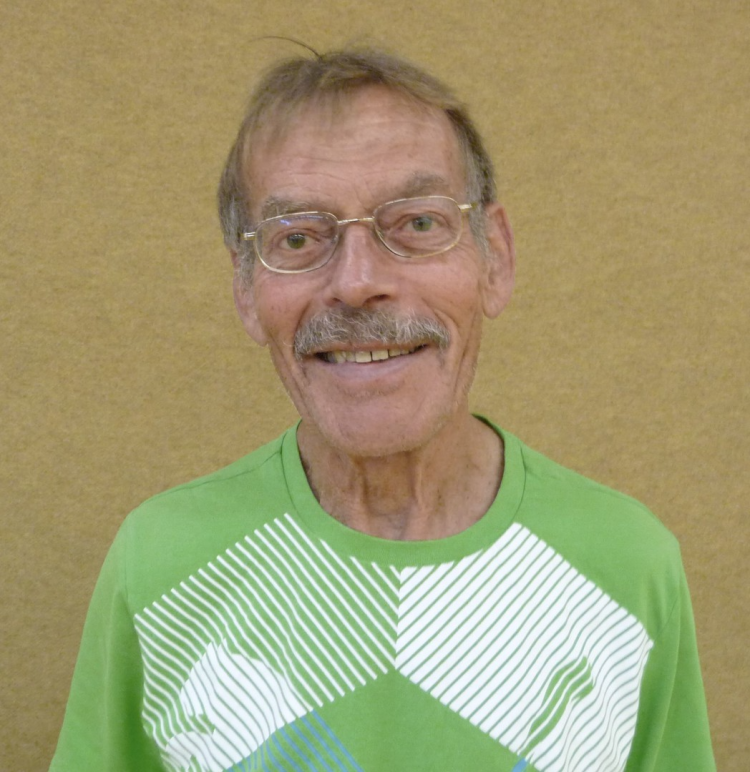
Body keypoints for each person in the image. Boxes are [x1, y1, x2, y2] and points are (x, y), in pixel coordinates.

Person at [50, 48, 715, 772]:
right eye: (298, 238)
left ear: (495, 257)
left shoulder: (628, 564)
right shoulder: (161, 564)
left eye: (417, 224)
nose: (358, 281)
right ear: (245, 289)